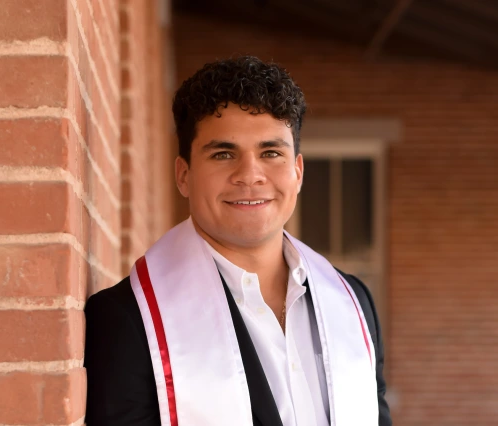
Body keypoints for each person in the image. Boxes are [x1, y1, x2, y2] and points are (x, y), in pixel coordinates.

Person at [84, 56, 392, 426]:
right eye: (223, 153)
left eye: (271, 152)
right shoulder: (128, 320)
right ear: (183, 175)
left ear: (297, 172)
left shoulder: (353, 303)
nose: (250, 175)